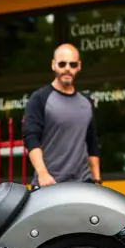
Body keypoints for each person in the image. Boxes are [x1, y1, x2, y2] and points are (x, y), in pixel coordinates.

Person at [22, 43, 102, 187]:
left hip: (83, 184)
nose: (67, 68)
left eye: (72, 64)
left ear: (79, 66)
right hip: (49, 184)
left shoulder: (86, 102)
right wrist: (42, 173)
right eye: (62, 64)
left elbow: (92, 143)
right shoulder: (39, 99)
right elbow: (31, 138)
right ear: (53, 65)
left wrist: (96, 179)